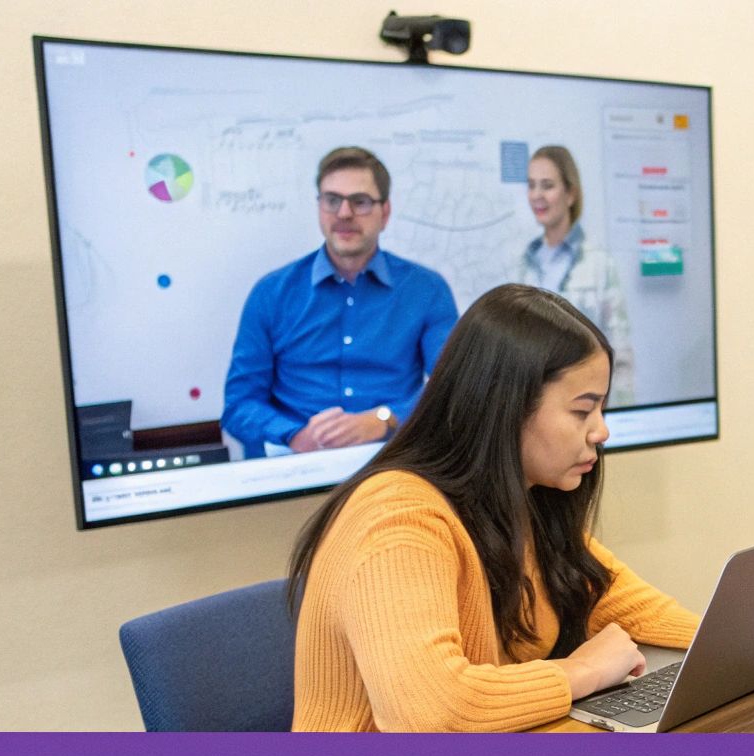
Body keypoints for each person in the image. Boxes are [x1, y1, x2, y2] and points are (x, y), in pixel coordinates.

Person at [287, 284, 698, 732]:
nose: (601, 432)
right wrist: (581, 672)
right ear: (506, 409)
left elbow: (641, 612)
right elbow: (429, 715)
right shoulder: (396, 518)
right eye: (582, 411)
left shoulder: (527, 501)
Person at [224, 146, 457, 457]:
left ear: (384, 212)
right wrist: (295, 435)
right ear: (320, 207)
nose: (344, 213)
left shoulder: (427, 290)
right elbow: (239, 405)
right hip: (295, 466)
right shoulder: (271, 293)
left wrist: (384, 419)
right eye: (332, 200)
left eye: (360, 202)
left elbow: (455, 388)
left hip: (393, 460)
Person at [517, 145, 633, 404]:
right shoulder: (525, 264)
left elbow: (620, 357)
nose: (536, 195)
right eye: (531, 185)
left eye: (547, 185)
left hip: (586, 411)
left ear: (571, 194)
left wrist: (615, 419)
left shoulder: (599, 264)